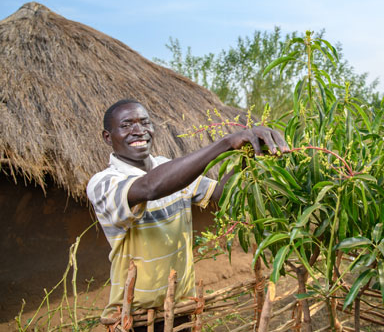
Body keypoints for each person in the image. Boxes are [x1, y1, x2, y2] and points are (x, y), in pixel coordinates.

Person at [87, 99, 289, 331]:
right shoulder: (103, 183)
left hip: (180, 307)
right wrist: (225, 143)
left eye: (145, 122)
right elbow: (150, 188)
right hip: (137, 317)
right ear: (107, 137)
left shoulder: (171, 168)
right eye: (126, 125)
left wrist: (247, 156)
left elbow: (221, 194)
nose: (138, 130)